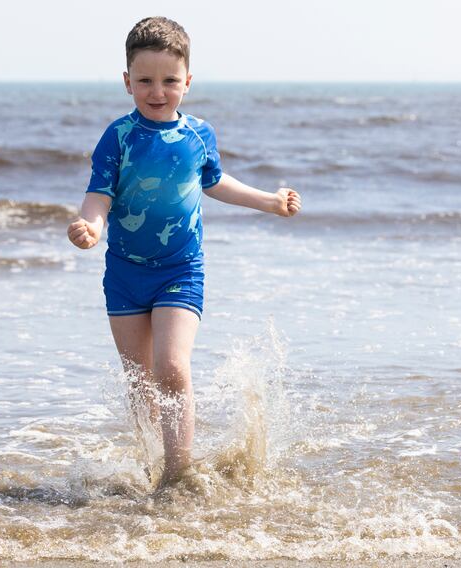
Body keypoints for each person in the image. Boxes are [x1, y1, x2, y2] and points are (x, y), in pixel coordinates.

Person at [66, 16, 301, 488]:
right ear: (127, 81)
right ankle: (151, 462)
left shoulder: (198, 134)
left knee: (172, 366)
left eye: (170, 81)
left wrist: (269, 201)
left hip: (181, 268)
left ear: (188, 81)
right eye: (146, 81)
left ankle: (178, 472)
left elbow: (216, 183)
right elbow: (100, 194)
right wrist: (90, 225)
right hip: (125, 272)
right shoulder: (118, 136)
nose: (158, 91)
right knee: (138, 379)